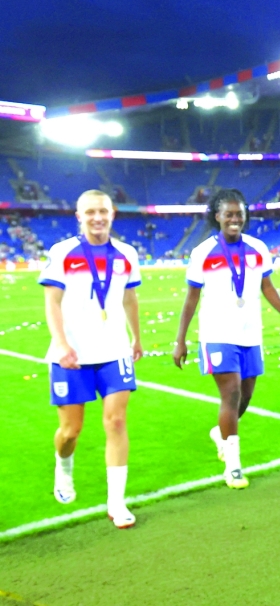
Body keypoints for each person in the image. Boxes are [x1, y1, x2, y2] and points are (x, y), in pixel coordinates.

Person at [172, 189, 280, 489]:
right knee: (230, 394)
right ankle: (233, 466)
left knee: (246, 396)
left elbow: (267, 286)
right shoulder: (202, 252)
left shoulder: (257, 248)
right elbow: (191, 298)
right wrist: (181, 339)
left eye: (239, 214)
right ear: (217, 216)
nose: (234, 219)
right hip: (217, 333)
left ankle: (220, 434)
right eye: (228, 214)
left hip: (250, 334)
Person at [39, 190, 143, 528]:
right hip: (72, 355)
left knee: (116, 422)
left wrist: (136, 337)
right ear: (79, 217)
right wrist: (61, 344)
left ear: (112, 214)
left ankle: (117, 502)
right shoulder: (63, 252)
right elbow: (52, 302)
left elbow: (129, 299)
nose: (97, 217)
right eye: (90, 212)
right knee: (71, 430)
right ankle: (63, 466)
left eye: (103, 211)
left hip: (114, 351)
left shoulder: (127, 253)